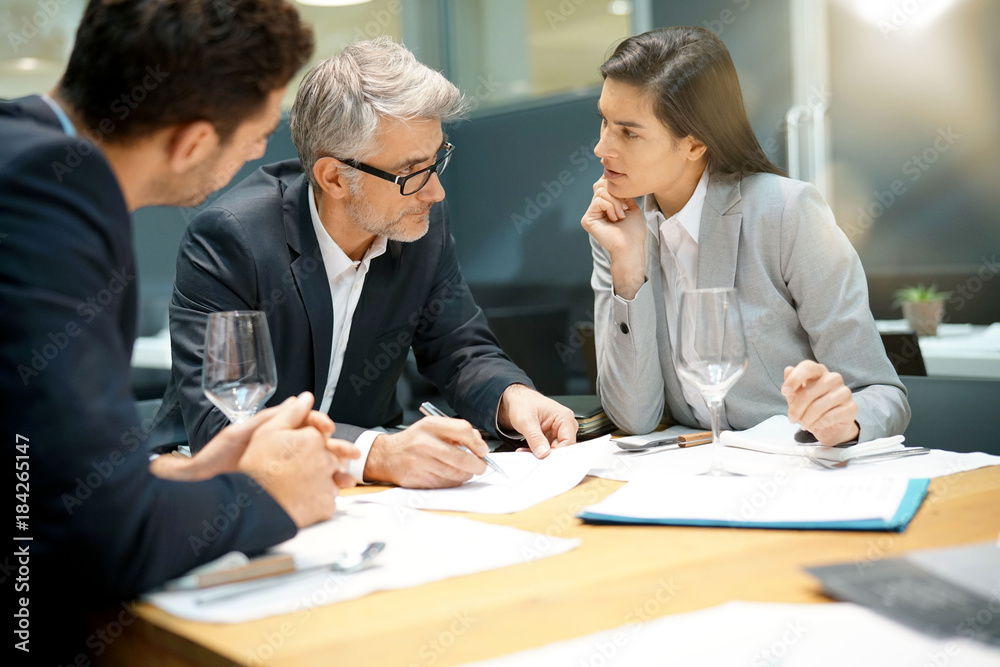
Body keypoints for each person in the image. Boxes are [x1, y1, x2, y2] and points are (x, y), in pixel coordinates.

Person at [0, 1, 357, 660]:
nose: (263, 155)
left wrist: (186, 475)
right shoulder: (50, 194)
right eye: (257, 136)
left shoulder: (23, 149)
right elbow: (97, 538)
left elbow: (36, 469)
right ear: (193, 140)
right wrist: (268, 494)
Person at [162, 38, 578, 489]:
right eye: (412, 172)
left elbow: (460, 350)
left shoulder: (418, 221)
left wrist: (511, 397)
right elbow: (224, 423)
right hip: (222, 492)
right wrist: (377, 453)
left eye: (437, 159)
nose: (435, 191)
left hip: (370, 496)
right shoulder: (232, 238)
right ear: (335, 178)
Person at [581, 27, 909, 445]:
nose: (600, 148)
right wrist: (628, 269)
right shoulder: (616, 228)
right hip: (694, 476)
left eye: (628, 132)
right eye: (604, 122)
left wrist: (847, 421)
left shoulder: (786, 212)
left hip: (795, 470)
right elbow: (634, 416)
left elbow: (882, 394)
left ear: (695, 144)